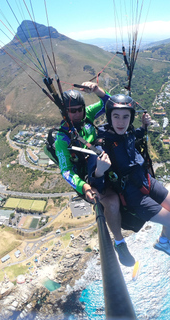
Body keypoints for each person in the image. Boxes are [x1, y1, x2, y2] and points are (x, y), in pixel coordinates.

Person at [88, 94, 170, 257]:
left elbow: (134, 137)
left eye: (126, 117)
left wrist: (143, 126)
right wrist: (99, 170)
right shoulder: (103, 143)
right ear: (110, 117)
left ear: (131, 118)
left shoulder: (128, 132)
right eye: (116, 116)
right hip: (133, 195)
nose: (121, 122)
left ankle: (163, 240)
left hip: (147, 181)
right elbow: (96, 183)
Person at [54, 83, 135, 266]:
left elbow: (111, 103)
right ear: (65, 113)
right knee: (112, 202)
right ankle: (119, 242)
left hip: (104, 161)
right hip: (89, 176)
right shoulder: (62, 139)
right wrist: (84, 186)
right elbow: (66, 171)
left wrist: (97, 90)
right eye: (71, 111)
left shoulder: (87, 115)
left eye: (79, 110)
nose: (76, 114)